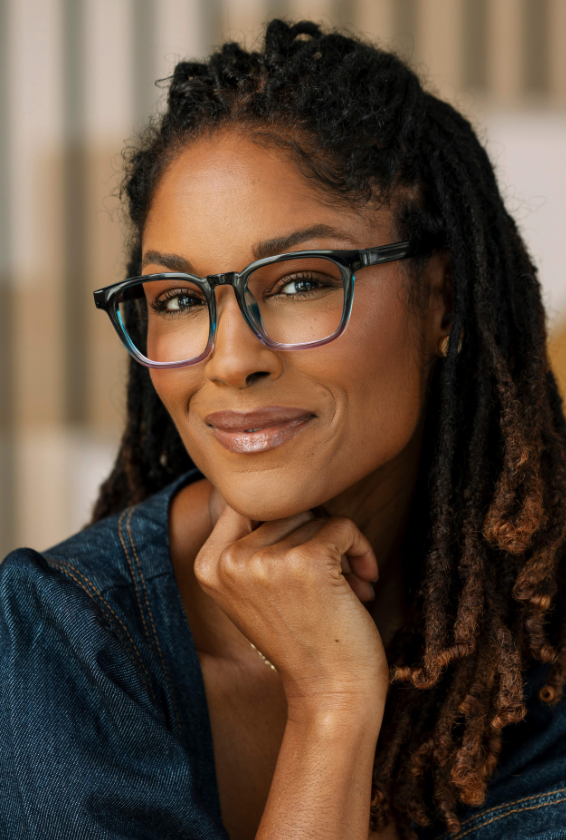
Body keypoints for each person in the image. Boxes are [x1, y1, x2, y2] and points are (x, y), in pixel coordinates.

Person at [1, 18, 566, 840]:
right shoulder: (57, 649)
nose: (231, 362)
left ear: (441, 298)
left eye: (299, 282)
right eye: (180, 300)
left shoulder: (539, 633)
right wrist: (331, 707)